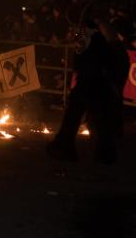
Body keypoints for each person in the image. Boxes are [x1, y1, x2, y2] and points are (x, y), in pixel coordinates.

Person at [47, 18, 129, 164]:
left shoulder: (95, 42)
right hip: (93, 87)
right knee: (93, 121)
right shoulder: (99, 43)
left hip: (91, 86)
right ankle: (70, 149)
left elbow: (90, 64)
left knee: (80, 119)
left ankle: (65, 148)